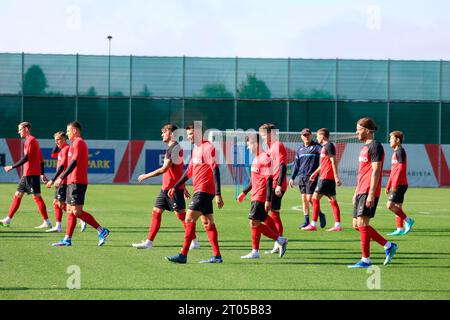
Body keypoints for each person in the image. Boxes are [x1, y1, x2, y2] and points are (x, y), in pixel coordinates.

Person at [131, 123, 200, 250]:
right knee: (156, 212)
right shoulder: (173, 147)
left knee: (181, 216)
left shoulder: (174, 148)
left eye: (164, 132)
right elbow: (177, 171)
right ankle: (149, 243)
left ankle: (194, 240)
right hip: (166, 189)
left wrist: (145, 176)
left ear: (172, 134)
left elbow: (164, 169)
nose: (162, 134)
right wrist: (184, 187)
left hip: (173, 190)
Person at [165, 122, 224, 264]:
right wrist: (176, 185)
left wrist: (218, 194)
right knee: (207, 223)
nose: (189, 137)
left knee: (189, 219)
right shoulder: (196, 149)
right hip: (200, 190)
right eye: (188, 135)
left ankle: (183, 255)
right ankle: (217, 256)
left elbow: (215, 169)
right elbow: (188, 172)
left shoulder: (209, 147)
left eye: (191, 134)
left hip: (204, 191)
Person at [50, 121, 110, 247]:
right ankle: (67, 239)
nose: (67, 133)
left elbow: (74, 163)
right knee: (70, 211)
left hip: (78, 181)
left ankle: (101, 230)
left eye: (68, 130)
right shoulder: (73, 144)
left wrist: (61, 178)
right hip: (72, 181)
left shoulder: (79, 142)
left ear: (75, 130)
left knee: (76, 212)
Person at [348, 117, 397, 268]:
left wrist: (370, 193)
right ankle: (388, 245)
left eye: (359, 129)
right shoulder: (364, 147)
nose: (356, 132)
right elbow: (363, 171)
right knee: (356, 225)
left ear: (367, 131)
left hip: (369, 191)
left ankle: (365, 260)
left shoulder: (375, 146)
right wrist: (357, 191)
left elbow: (376, 171)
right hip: (361, 190)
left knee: (362, 223)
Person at [237, 133, 288, 259]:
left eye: (249, 145)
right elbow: (253, 180)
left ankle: (277, 241)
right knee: (256, 222)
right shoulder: (257, 158)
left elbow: (269, 180)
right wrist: (244, 192)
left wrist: (268, 200)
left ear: (256, 144)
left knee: (254, 222)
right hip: (255, 195)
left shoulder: (265, 158)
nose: (248, 148)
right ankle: (259, 249)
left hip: (260, 196)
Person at [0, 122, 51, 229]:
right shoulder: (32, 141)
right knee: (18, 194)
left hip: (31, 174)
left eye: (20, 129)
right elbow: (41, 159)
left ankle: (47, 221)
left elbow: (26, 158)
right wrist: (42, 174)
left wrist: (12, 167)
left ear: (26, 129)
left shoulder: (31, 140)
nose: (18, 132)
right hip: (27, 174)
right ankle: (8, 219)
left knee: (36, 196)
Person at [302, 128, 343, 232]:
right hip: (325, 177)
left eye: (318, 136)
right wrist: (315, 174)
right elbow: (323, 164)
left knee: (314, 198)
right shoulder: (324, 147)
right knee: (332, 200)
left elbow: (334, 161)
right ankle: (337, 225)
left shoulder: (329, 146)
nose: (316, 137)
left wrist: (336, 176)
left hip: (326, 178)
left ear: (323, 136)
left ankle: (313, 224)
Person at [46, 131, 86, 233]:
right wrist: (57, 142)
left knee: (61, 204)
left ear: (64, 139)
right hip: (61, 180)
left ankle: (81, 218)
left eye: (59, 139)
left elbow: (63, 166)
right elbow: (53, 154)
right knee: (57, 203)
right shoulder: (61, 149)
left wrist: (53, 179)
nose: (56, 142)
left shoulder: (66, 149)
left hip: (64, 181)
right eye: (55, 140)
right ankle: (58, 225)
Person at [289, 128, 327, 229]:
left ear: (311, 136)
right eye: (304, 135)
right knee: (304, 199)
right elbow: (296, 165)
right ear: (301, 137)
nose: (306, 137)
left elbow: (324, 156)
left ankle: (320, 214)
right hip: (301, 177)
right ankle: (306, 221)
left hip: (312, 177)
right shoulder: (300, 150)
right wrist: (292, 178)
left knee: (310, 199)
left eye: (308, 135)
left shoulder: (317, 147)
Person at [258, 123, 287, 255]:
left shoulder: (277, 145)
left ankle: (280, 241)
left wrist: (279, 185)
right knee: (271, 214)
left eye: (264, 135)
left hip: (277, 185)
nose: (262, 137)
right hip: (273, 184)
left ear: (270, 133)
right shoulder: (271, 147)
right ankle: (278, 240)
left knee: (273, 214)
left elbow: (282, 166)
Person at [385, 131, 414, 236]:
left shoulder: (400, 151)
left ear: (397, 140)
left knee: (390, 205)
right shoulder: (395, 152)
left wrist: (394, 184)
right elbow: (393, 171)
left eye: (391, 138)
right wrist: (388, 185)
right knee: (398, 207)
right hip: (398, 183)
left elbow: (401, 168)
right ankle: (399, 229)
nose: (389, 140)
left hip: (400, 184)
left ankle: (408, 220)